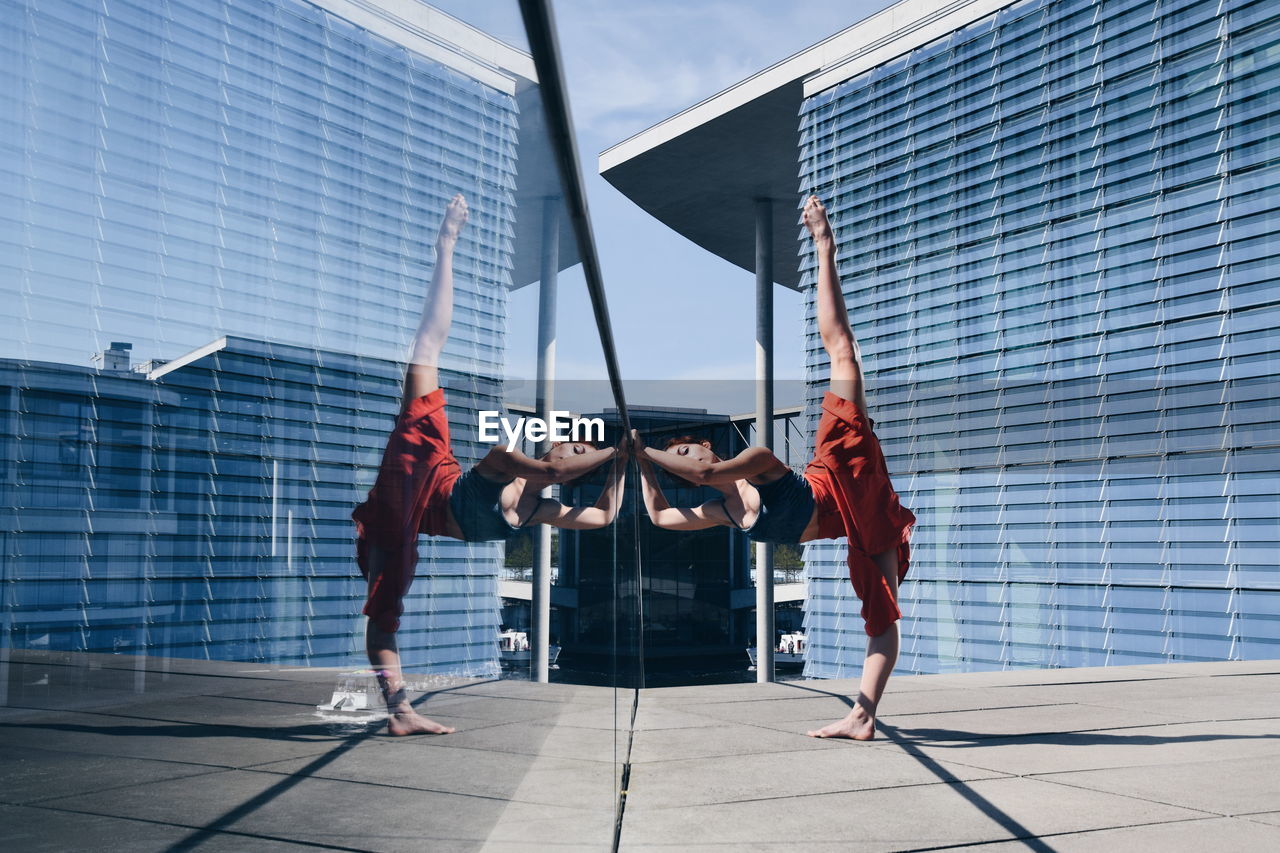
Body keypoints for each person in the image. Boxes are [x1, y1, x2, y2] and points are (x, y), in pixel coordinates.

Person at [635, 195, 915, 740]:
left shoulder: (755, 463)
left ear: (709, 454)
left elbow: (699, 476)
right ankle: (863, 716)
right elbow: (662, 517)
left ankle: (825, 245)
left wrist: (644, 451)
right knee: (882, 617)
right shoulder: (723, 508)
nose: (691, 460)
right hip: (862, 515)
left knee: (843, 353)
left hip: (841, 465)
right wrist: (641, 468)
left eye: (691, 452)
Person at [352, 194, 627, 735]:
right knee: (425, 349)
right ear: (551, 454)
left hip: (415, 512)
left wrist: (622, 471)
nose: (577, 449)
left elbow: (599, 518)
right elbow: (543, 469)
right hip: (419, 462)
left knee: (386, 617)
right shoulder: (508, 463)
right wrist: (616, 450)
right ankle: (444, 247)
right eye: (574, 447)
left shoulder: (536, 507)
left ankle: (399, 712)